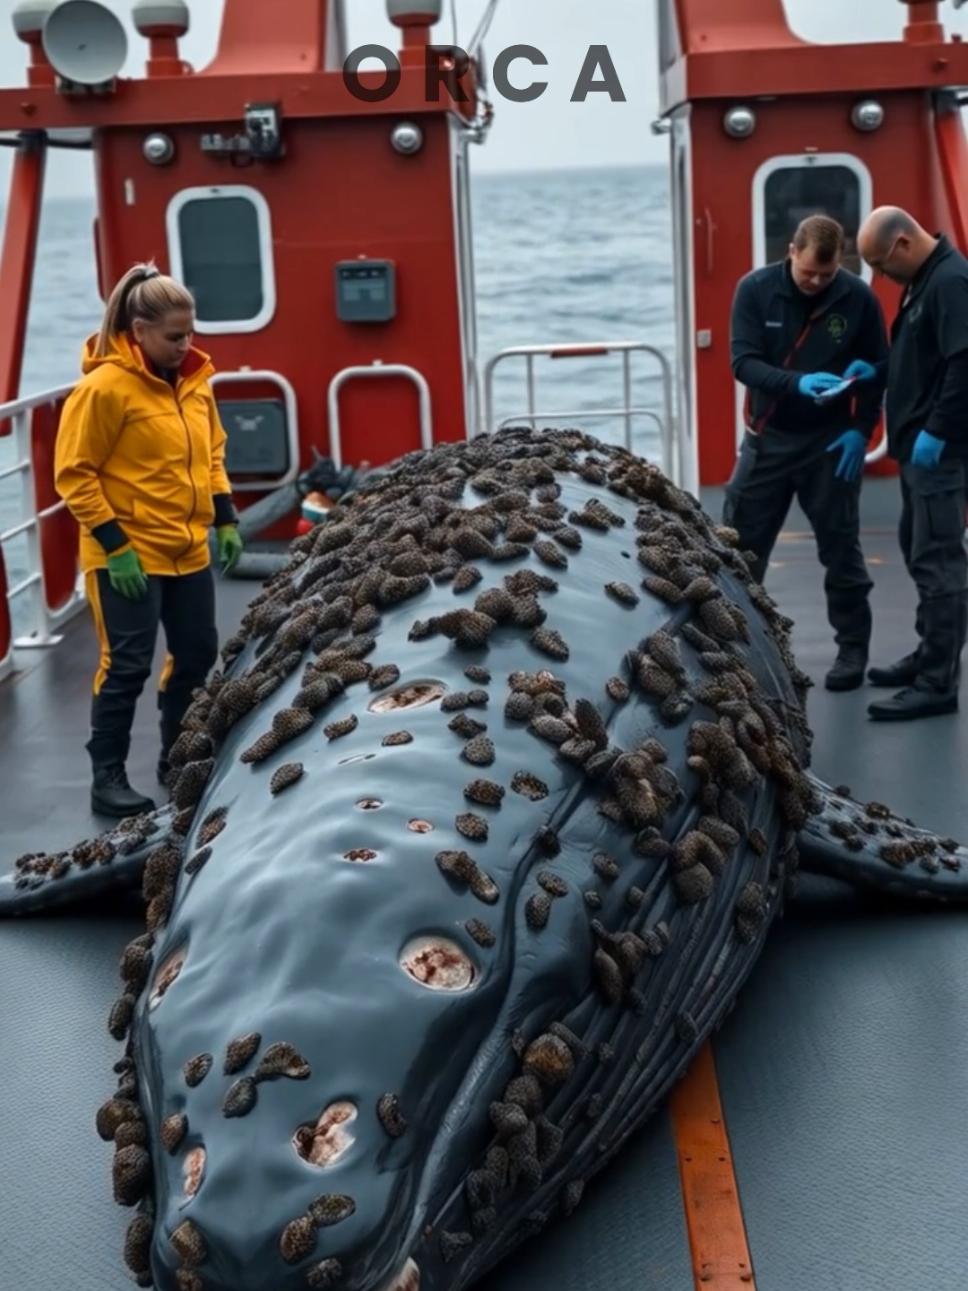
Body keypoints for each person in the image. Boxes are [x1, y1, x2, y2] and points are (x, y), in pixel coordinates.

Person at [54, 262, 244, 818]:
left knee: (196, 653)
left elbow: (211, 453)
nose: (185, 345)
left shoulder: (195, 382)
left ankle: (176, 757)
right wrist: (115, 545)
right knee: (127, 664)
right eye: (173, 336)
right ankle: (106, 777)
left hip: (185, 548)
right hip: (126, 554)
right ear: (138, 330)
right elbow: (75, 473)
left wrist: (226, 518)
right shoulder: (103, 389)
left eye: (190, 333)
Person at [726, 213, 889, 691]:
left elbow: (877, 368)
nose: (817, 281)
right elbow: (744, 363)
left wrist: (862, 430)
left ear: (843, 262)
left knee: (842, 550)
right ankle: (735, 651)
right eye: (808, 272)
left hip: (829, 441)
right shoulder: (754, 290)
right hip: (769, 438)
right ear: (791, 253)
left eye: (828, 273)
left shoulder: (857, 296)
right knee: (742, 550)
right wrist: (795, 383)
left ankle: (852, 650)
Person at [854, 207, 968, 720]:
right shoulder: (925, 280)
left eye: (881, 264)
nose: (882, 276)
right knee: (916, 549)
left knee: (939, 563)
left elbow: (965, 362)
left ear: (901, 242)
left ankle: (937, 684)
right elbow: (923, 357)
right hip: (917, 453)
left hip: (940, 454)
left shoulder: (949, 282)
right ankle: (928, 653)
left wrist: (937, 432)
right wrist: (876, 370)